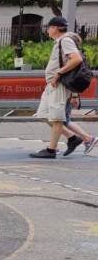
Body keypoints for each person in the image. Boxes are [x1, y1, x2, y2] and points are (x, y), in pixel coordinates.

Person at [30, 17, 85, 159]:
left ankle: (51, 150)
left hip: (59, 84)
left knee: (56, 118)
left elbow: (76, 58)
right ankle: (73, 138)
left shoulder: (65, 40)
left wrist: (58, 73)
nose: (47, 30)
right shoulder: (60, 41)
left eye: (48, 27)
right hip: (52, 85)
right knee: (44, 114)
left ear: (55, 28)